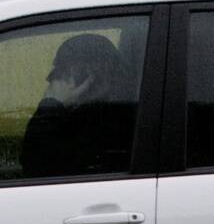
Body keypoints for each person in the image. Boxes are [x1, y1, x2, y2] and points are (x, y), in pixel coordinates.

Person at [20, 33, 136, 178]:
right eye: (61, 71)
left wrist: (51, 106)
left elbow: (37, 167)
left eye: (67, 72)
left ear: (94, 76)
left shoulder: (118, 121)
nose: (57, 79)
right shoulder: (79, 114)